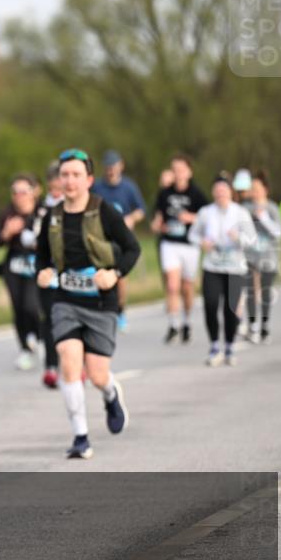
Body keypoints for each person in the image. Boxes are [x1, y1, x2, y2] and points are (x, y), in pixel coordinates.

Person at [36, 149, 140, 460]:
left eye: (76, 175)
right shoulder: (52, 216)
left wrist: (115, 273)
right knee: (69, 360)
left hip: (100, 302)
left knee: (96, 375)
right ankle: (80, 436)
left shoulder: (104, 211)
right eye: (64, 175)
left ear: (89, 179)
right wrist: (42, 272)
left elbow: (132, 248)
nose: (69, 181)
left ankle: (110, 393)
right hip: (65, 299)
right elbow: (42, 257)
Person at [188, 176, 257, 367]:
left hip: (235, 268)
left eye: (223, 191)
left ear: (230, 192)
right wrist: (202, 243)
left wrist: (238, 238)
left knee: (231, 310)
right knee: (210, 304)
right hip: (212, 266)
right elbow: (192, 234)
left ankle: (229, 346)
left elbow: (252, 239)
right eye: (217, 191)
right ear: (213, 193)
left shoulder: (240, 213)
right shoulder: (205, 212)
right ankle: (214, 346)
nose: (220, 194)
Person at [151, 154, 208, 344]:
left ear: (189, 172)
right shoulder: (165, 193)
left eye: (181, 170)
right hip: (170, 243)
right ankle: (173, 324)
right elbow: (158, 215)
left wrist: (191, 218)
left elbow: (207, 217)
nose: (178, 174)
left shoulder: (196, 194)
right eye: (174, 170)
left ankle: (187, 321)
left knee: (186, 286)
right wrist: (158, 224)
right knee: (172, 284)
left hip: (189, 244)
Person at [91, 150, 146, 332]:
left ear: (120, 166)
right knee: (99, 274)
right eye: (107, 167)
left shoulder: (129, 187)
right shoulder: (97, 188)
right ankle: (103, 310)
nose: (110, 171)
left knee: (119, 277)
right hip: (101, 239)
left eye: (113, 167)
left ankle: (120, 310)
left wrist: (131, 218)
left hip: (121, 239)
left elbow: (141, 210)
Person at [0, 174, 42, 370]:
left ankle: (39, 336)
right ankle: (25, 348)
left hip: (36, 265)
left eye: (23, 192)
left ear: (33, 192)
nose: (19, 196)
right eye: (15, 192)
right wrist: (7, 232)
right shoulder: (7, 213)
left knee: (31, 305)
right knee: (18, 308)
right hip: (14, 265)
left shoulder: (42, 212)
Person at [242, 171, 281, 344]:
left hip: (268, 256)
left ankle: (264, 325)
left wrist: (263, 217)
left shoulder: (272, 208)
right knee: (250, 291)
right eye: (252, 189)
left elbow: (278, 233)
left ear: (265, 189)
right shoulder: (245, 208)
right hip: (250, 256)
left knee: (265, 292)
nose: (255, 192)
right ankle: (252, 325)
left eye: (258, 188)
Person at [35, 161, 65, 388]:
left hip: (71, 271)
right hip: (47, 270)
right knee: (49, 319)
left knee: (72, 318)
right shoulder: (41, 208)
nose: (57, 186)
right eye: (53, 181)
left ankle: (77, 362)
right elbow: (33, 233)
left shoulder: (77, 206)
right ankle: (51, 366)